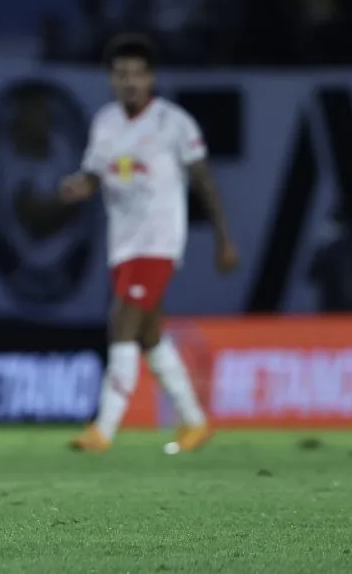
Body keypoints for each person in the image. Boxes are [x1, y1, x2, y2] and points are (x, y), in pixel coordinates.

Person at [60, 33, 238, 452]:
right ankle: (195, 423)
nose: (131, 82)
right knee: (150, 334)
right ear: (111, 79)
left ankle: (103, 430)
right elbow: (94, 174)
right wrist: (79, 186)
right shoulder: (105, 123)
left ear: (151, 78)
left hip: (159, 241)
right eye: (122, 74)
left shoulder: (174, 123)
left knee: (121, 322)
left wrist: (223, 238)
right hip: (122, 243)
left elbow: (204, 182)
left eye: (139, 74)